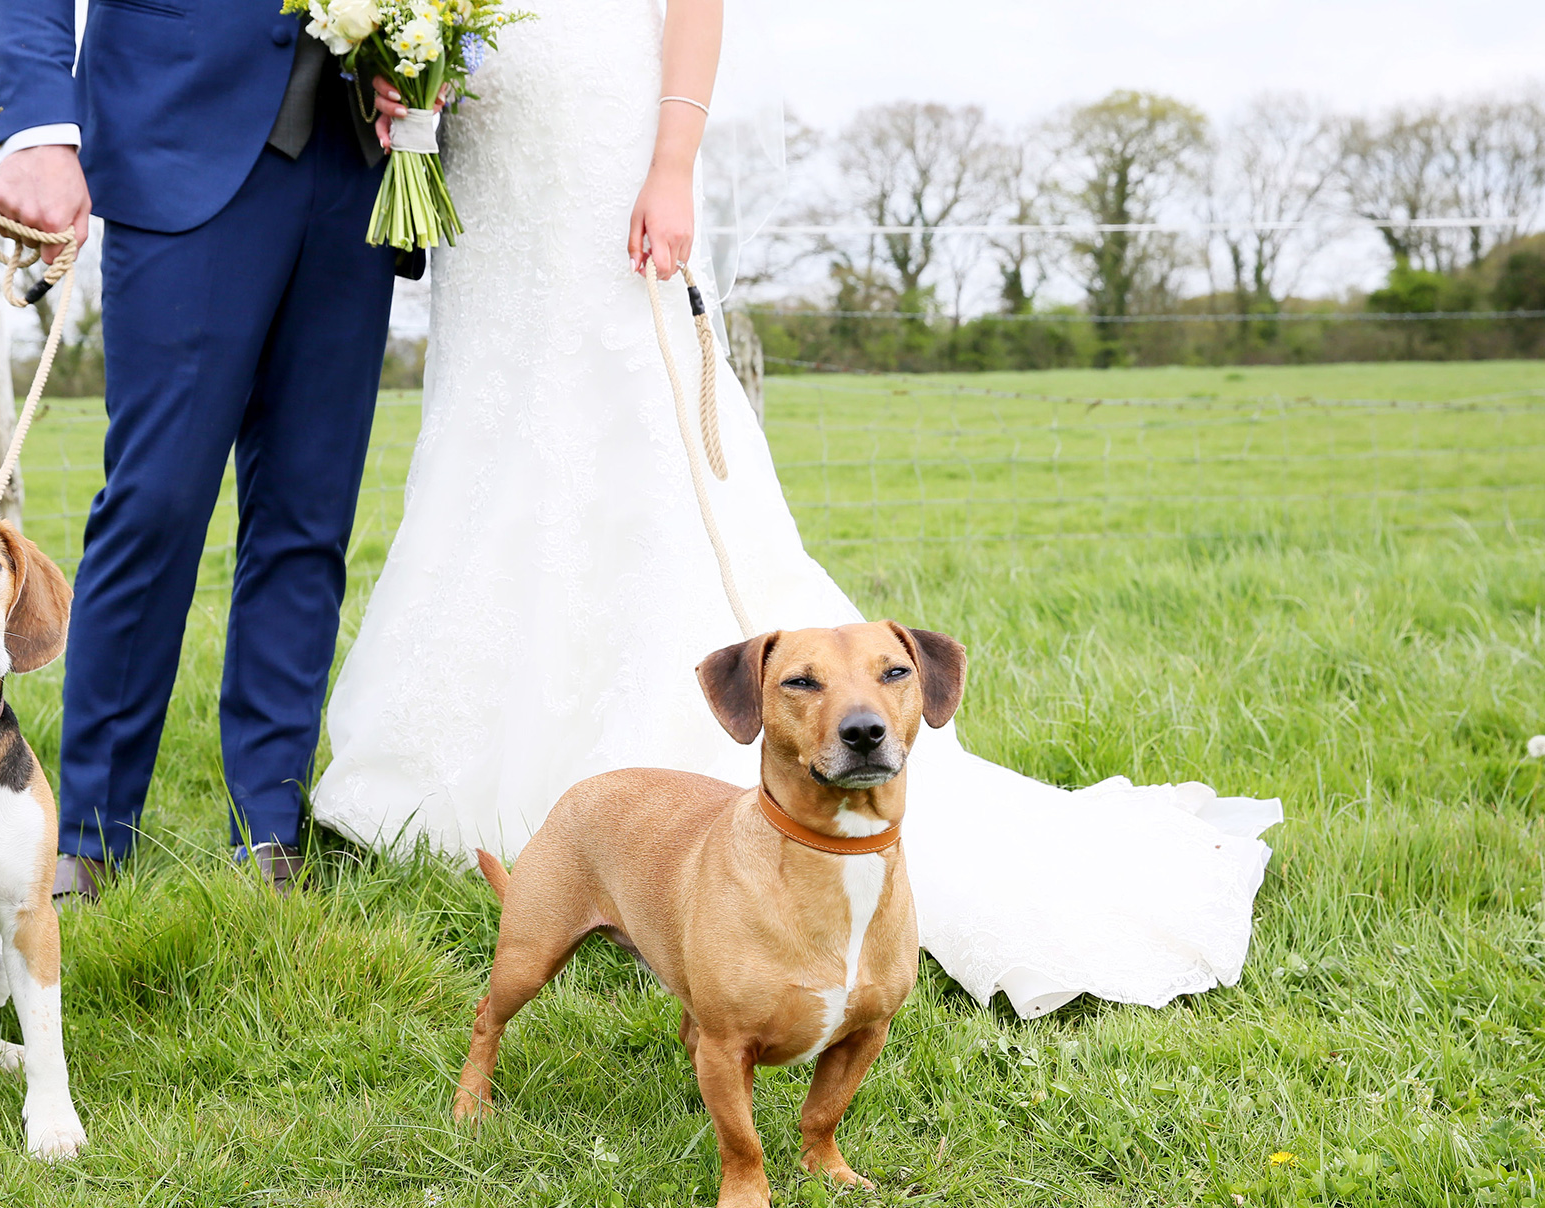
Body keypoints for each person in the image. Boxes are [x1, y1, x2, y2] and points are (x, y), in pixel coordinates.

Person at [313, 0, 1284, 1017]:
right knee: (492, 442)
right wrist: (410, 81)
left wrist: (671, 163)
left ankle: (660, 792)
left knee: (624, 439)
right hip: (491, 173)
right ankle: (507, 795)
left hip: (606, 148)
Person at [0, 0, 408, 897]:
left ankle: (269, 827)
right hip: (177, 134)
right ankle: (90, 836)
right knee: (157, 501)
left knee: (308, 510)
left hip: (361, 158)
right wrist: (36, 127)